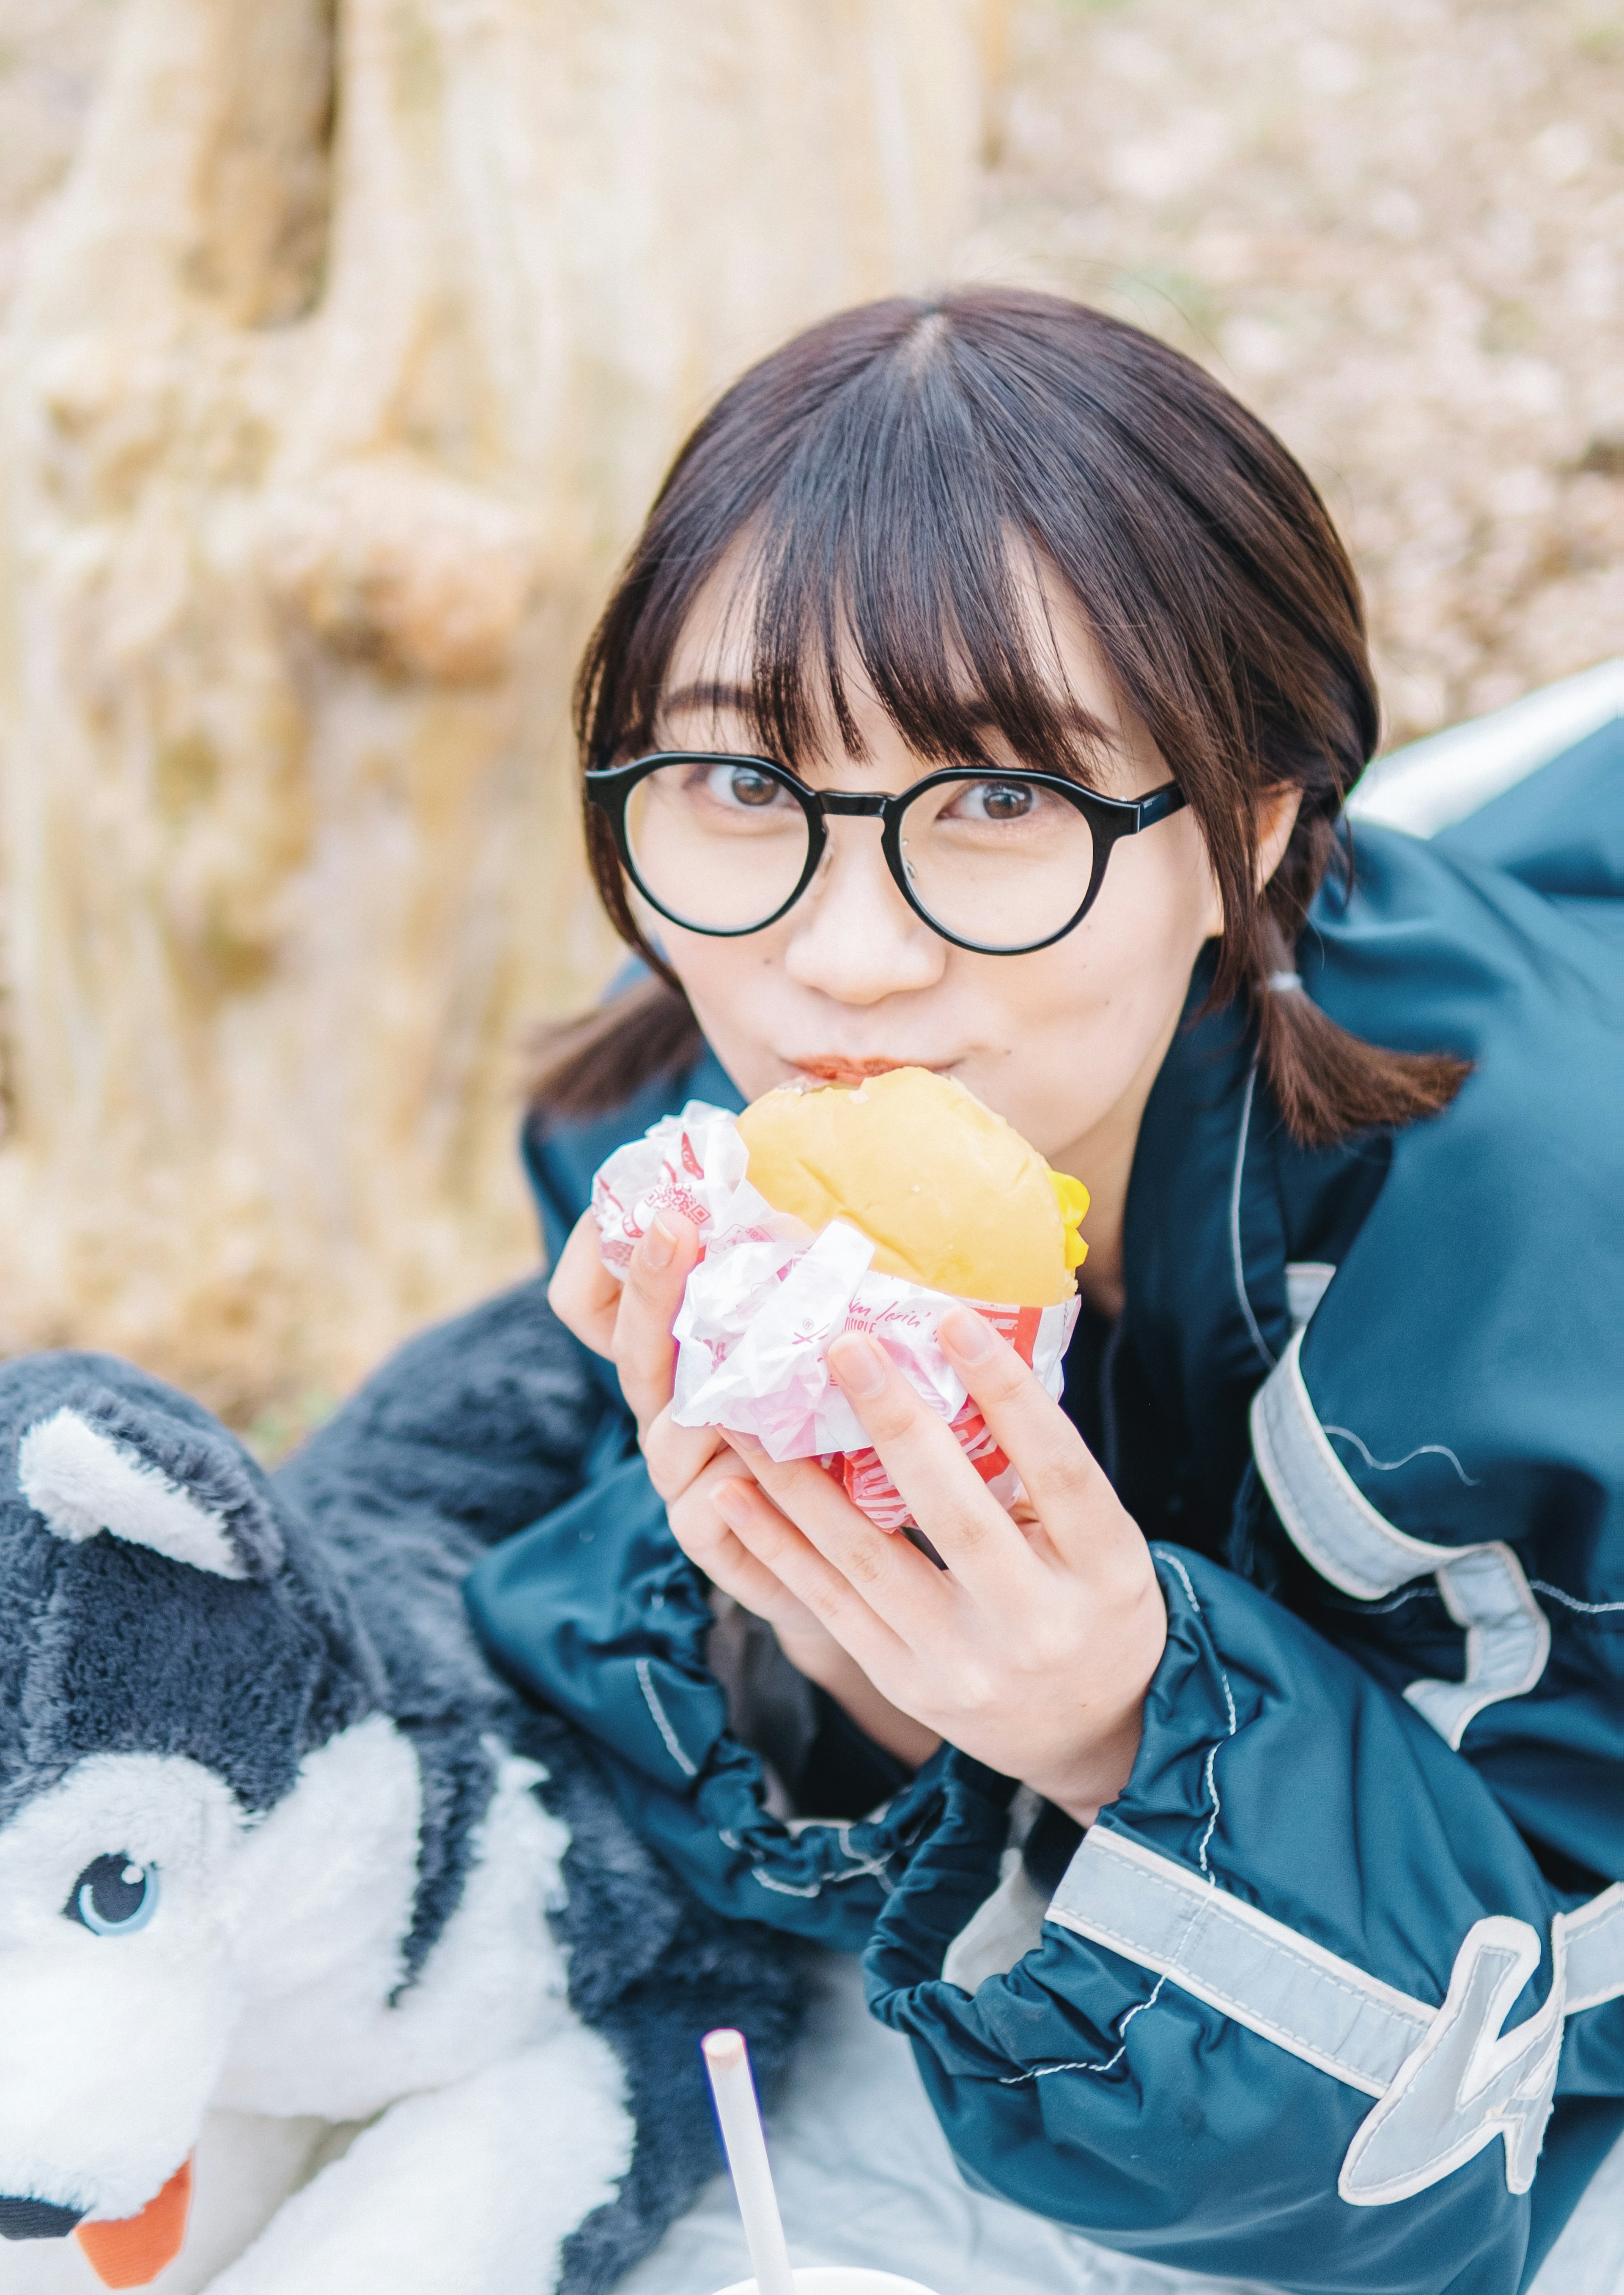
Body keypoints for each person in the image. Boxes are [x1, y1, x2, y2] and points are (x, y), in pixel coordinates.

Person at [461, 288, 1624, 2294]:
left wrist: (1126, 1731)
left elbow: (1498, 2097)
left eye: (999, 802)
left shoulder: (1520, 1292)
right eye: (742, 786)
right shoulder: (673, 1131)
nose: (841, 959)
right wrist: (810, 1653)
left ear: (1253, 835)